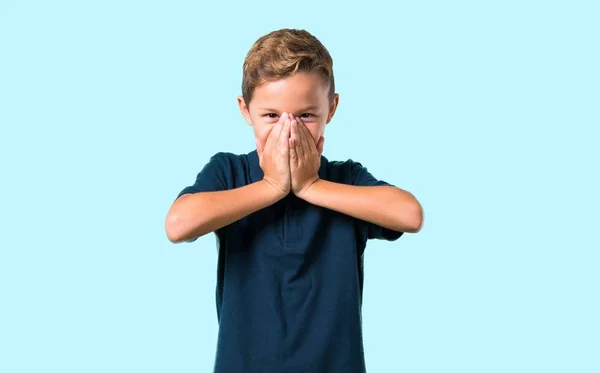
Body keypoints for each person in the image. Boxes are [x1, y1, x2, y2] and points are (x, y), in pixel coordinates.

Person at [165, 28, 423, 373]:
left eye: (305, 115)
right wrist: (271, 185)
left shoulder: (346, 178)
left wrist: (311, 186)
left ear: (331, 108)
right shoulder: (228, 171)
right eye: (271, 116)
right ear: (246, 110)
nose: (289, 130)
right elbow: (178, 225)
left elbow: (410, 215)